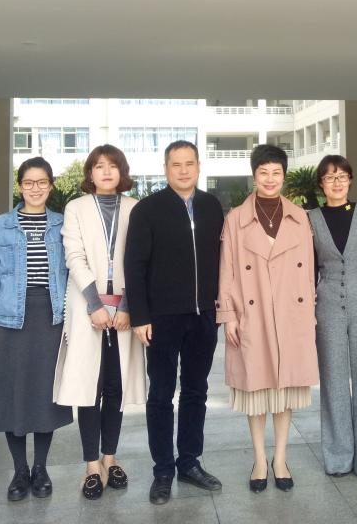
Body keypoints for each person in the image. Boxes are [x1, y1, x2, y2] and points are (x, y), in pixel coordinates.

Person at [125, 140, 225, 505]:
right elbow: (134, 265)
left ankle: (189, 462)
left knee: (196, 391)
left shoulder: (212, 206)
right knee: (161, 394)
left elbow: (224, 258)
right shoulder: (148, 209)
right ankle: (163, 470)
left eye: (189, 163)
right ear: (166, 169)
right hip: (162, 318)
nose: (183, 170)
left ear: (199, 166)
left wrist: (220, 306)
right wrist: (140, 316)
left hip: (204, 317)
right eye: (176, 164)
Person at [218, 144, 317, 492]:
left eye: (276, 173)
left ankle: (280, 458)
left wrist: (309, 314)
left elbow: (309, 271)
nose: (270, 179)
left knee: (285, 389)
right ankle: (260, 458)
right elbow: (227, 270)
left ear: (284, 176)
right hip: (252, 310)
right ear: (254, 175)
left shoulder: (299, 216)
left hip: (291, 311)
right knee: (256, 388)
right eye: (264, 173)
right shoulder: (235, 219)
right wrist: (229, 315)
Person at [53, 145, 146, 500]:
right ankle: (92, 465)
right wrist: (94, 304)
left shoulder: (135, 208)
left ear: (122, 172)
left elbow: (140, 259)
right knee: (88, 386)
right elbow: (74, 256)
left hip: (124, 310)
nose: (106, 172)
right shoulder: (75, 208)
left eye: (112, 166)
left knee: (115, 385)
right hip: (87, 307)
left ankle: (111, 458)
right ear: (90, 173)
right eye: (99, 166)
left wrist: (128, 306)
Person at [0, 157, 72, 502]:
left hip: (50, 316)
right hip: (9, 318)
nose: (35, 188)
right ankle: (20, 470)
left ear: (51, 185)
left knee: (46, 395)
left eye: (42, 182)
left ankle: (41, 468)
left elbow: (73, 271)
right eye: (29, 182)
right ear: (20, 186)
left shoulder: (62, 224)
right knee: (12, 395)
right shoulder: (2, 225)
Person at [308, 154, 357, 479]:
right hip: (326, 303)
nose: (337, 182)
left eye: (342, 176)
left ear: (350, 180)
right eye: (330, 177)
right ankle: (338, 457)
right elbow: (307, 267)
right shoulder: (311, 218)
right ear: (321, 184)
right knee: (333, 380)